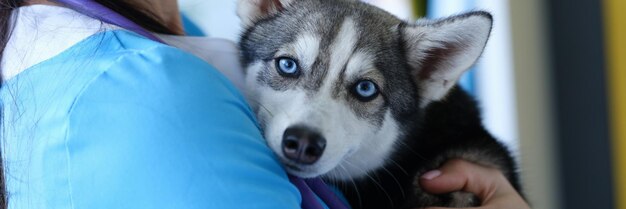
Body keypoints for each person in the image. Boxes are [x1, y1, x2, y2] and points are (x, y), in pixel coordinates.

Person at [0, 0, 530, 209]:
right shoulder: (150, 95)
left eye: (362, 89)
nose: (306, 124)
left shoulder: (181, 41)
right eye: (289, 68)